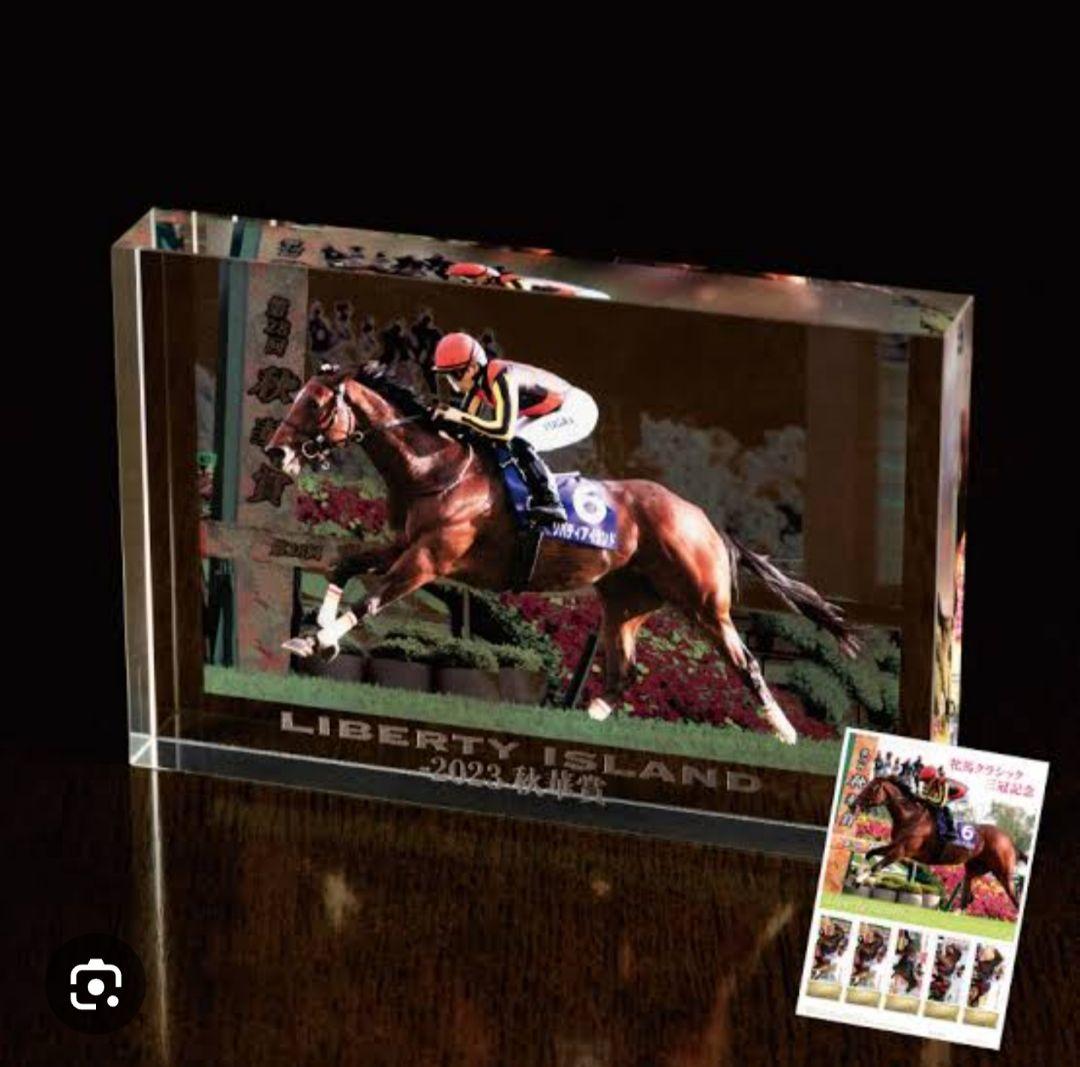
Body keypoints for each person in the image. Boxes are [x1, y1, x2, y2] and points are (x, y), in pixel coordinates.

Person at [429, 332, 599, 524]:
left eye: (453, 375)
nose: (451, 382)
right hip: (546, 412)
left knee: (517, 441)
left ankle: (550, 501)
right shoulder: (476, 385)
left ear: (472, 368)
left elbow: (503, 431)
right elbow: (463, 430)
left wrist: (460, 416)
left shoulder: (500, 375)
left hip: (576, 409)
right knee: (495, 442)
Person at [919, 764, 968, 841]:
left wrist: (926, 798)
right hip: (945, 796)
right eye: (924, 781)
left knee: (944, 808)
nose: (925, 783)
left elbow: (940, 802)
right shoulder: (926, 784)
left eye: (927, 781)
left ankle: (951, 831)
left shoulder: (943, 783)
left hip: (960, 795)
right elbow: (924, 798)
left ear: (933, 778)